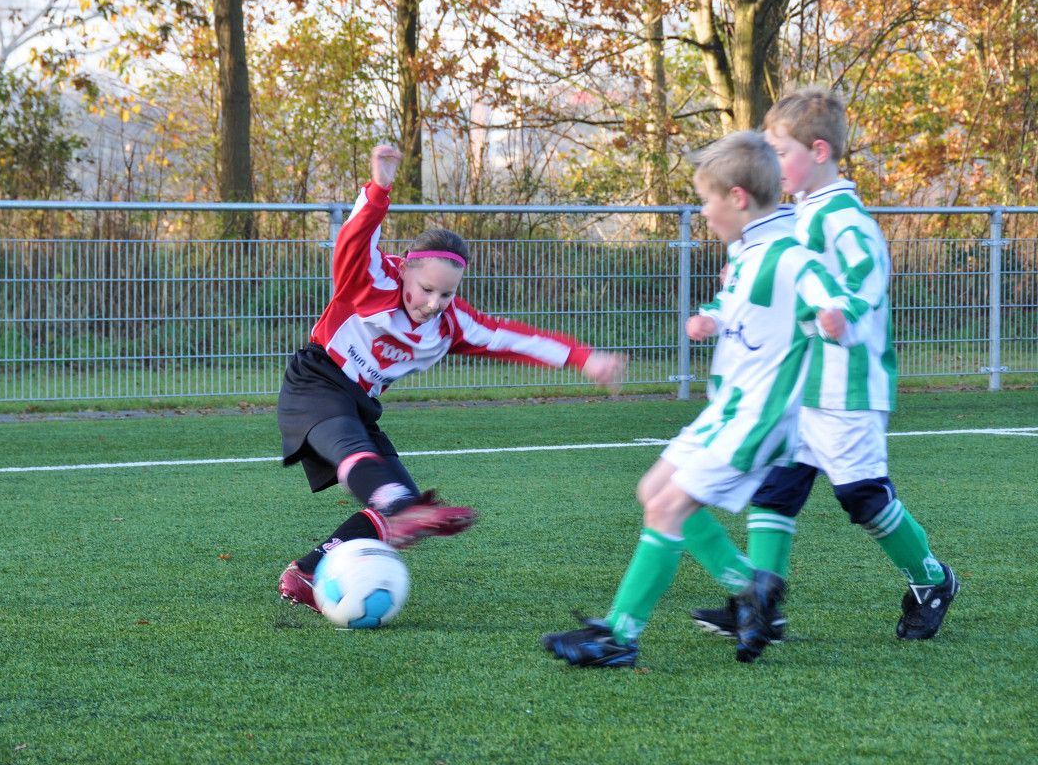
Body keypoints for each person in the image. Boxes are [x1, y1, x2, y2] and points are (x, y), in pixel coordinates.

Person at [543, 130, 859, 667]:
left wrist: (834, 318)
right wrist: (711, 317)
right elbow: (738, 304)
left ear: (737, 197)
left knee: (667, 507)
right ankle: (752, 592)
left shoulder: (787, 254)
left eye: (707, 200)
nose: (704, 213)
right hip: (725, 411)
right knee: (652, 490)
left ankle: (620, 636)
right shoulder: (747, 251)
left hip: (758, 418)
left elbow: (828, 296)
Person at [277, 144, 629, 613]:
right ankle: (393, 505)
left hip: (360, 404)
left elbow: (514, 339)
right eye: (426, 289)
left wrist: (583, 358)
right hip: (316, 381)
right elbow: (354, 241)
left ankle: (308, 571)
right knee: (380, 481)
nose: (433, 303)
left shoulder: (452, 324)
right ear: (406, 266)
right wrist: (379, 189)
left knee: (405, 505)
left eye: (446, 294)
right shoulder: (371, 280)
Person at [688, 88, 959, 643]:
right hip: (795, 383)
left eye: (779, 152)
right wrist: (724, 302)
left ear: (817, 151)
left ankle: (931, 579)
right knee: (775, 489)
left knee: (862, 496)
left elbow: (867, 273)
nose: (772, 163)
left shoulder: (842, 216)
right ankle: (761, 607)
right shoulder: (792, 216)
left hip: (845, 383)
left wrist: (843, 310)